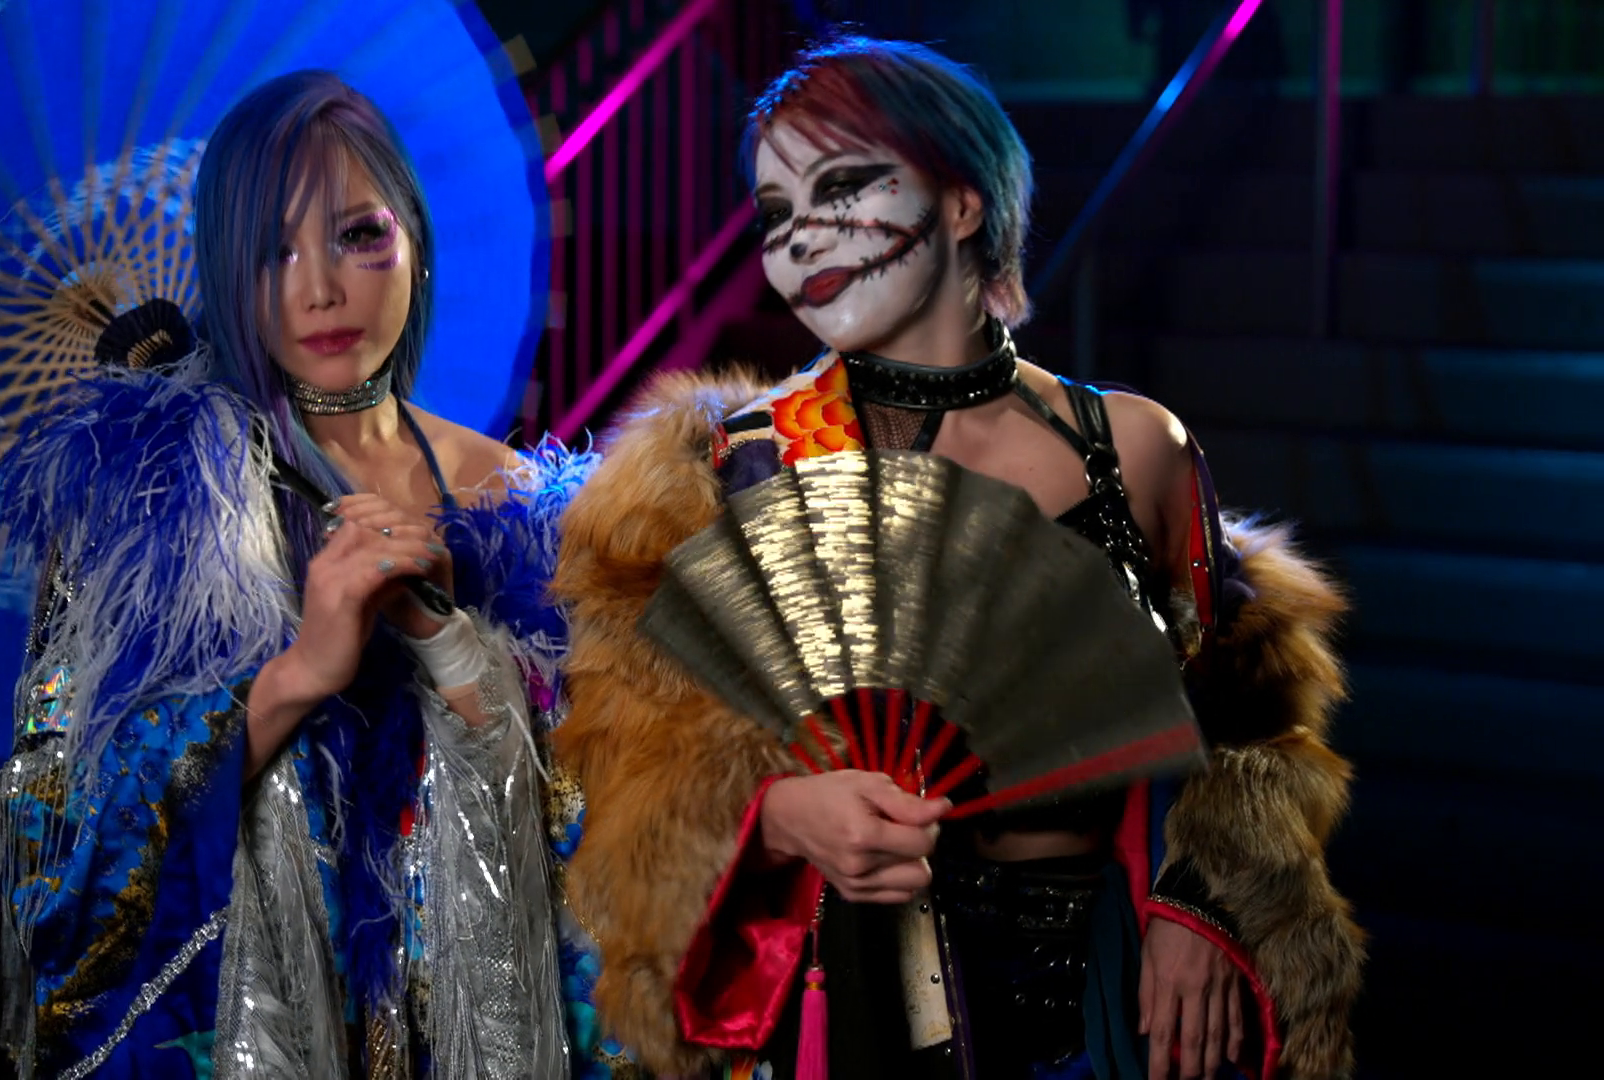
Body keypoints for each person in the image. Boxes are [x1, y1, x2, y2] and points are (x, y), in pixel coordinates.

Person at [551, 36, 1363, 1080]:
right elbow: (620, 782)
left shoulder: (1131, 449)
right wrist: (779, 817)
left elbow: (1253, 725)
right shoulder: (723, 472)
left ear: (964, 202)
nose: (800, 238)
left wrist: (1198, 902)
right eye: (775, 213)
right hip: (846, 1003)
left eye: (841, 188)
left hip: (1105, 997)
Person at [0, 71, 577, 1078]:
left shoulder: (513, 494)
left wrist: (452, 648)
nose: (321, 290)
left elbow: (590, 818)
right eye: (274, 252)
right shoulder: (146, 503)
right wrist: (302, 671)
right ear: (228, 269)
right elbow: (65, 831)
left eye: (358, 235)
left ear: (415, 240)